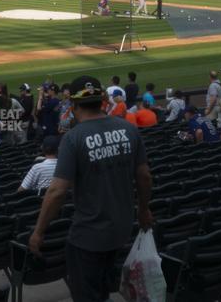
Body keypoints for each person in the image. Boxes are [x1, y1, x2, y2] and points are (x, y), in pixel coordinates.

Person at [28, 76, 152, 302]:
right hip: (123, 229)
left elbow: (56, 191)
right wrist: (144, 210)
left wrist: (38, 231)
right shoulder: (129, 129)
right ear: (102, 101)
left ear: (74, 106)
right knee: (104, 289)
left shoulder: (73, 138)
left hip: (89, 235)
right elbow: (144, 176)